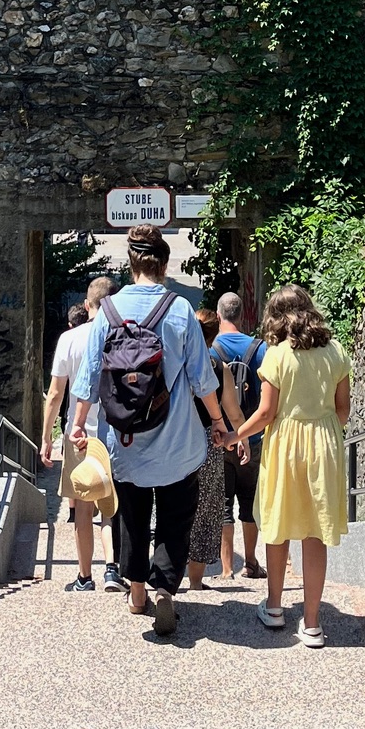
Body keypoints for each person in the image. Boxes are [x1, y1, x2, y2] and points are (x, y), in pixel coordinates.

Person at [69, 225, 233, 636]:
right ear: (163, 265)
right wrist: (217, 422)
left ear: (131, 264)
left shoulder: (107, 311)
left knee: (132, 515)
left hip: (126, 441)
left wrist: (77, 425)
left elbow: (88, 377)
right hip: (178, 443)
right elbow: (203, 380)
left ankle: (138, 591)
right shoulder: (180, 311)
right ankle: (165, 589)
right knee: (176, 516)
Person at [230, 283, 350, 648]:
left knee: (278, 523)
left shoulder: (277, 355)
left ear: (276, 318)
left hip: (284, 444)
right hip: (324, 443)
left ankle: (274, 607)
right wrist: (321, 430)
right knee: (315, 531)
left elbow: (266, 413)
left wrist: (236, 434)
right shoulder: (336, 352)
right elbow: (343, 409)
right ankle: (312, 624)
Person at [41, 275, 122, 592]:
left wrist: (46, 437)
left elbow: (55, 394)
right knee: (111, 506)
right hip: (116, 433)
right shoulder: (122, 336)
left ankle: (85, 576)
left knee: (84, 507)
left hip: (80, 435)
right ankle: (112, 568)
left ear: (87, 305)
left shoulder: (69, 339)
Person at [185, 308, 249, 589]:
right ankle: (195, 582)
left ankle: (167, 577)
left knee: (172, 504)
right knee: (205, 511)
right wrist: (242, 439)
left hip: (175, 441)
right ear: (213, 336)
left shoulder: (177, 361)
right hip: (208, 445)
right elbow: (233, 412)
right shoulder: (218, 368)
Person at [211, 291, 267, 580]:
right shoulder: (260, 349)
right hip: (252, 437)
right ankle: (251, 562)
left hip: (220, 437)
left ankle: (226, 568)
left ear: (218, 316)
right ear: (242, 316)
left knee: (223, 504)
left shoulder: (211, 350)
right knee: (249, 502)